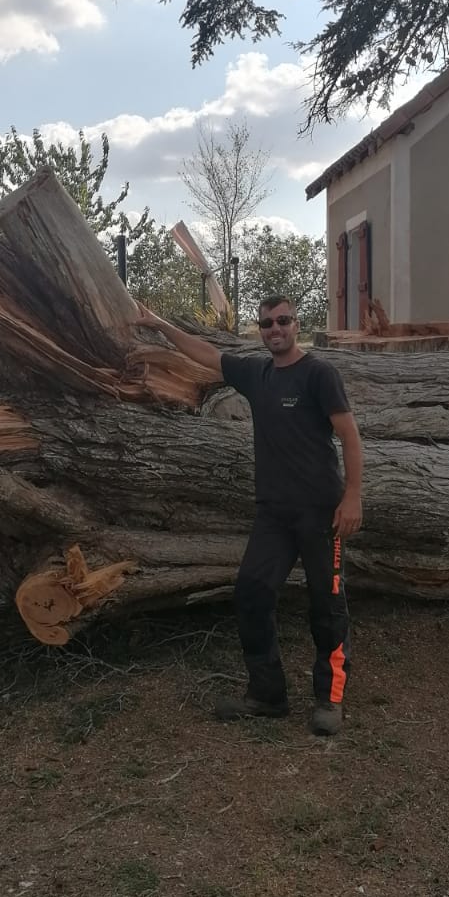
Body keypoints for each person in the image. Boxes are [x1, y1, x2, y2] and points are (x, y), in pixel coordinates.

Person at [135, 296, 363, 735]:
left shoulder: (319, 374)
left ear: (296, 325)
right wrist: (160, 324)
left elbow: (349, 435)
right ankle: (267, 694)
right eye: (266, 324)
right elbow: (206, 354)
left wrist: (352, 497)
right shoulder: (256, 375)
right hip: (274, 514)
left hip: (322, 514)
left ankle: (329, 699)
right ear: (260, 330)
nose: (275, 329)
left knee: (327, 604)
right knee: (252, 593)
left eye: (283, 321)